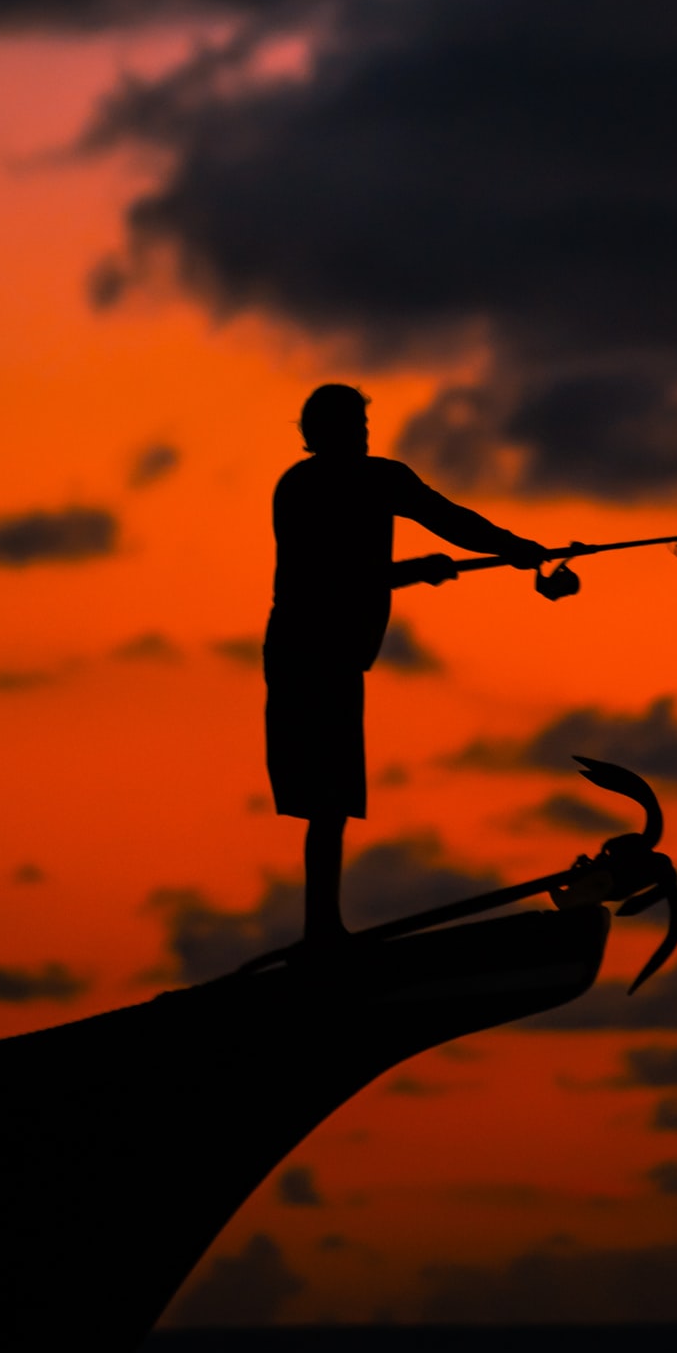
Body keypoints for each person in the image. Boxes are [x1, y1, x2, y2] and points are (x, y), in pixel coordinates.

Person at [266, 383, 548, 949]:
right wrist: (498, 554)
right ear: (328, 432)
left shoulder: (304, 483)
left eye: (363, 424)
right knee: (328, 799)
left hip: (302, 648)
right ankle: (321, 931)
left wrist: (513, 549)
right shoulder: (359, 481)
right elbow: (331, 575)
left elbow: (447, 523)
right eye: (355, 424)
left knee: (327, 802)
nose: (363, 433)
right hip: (317, 652)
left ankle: (321, 928)